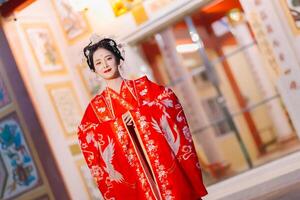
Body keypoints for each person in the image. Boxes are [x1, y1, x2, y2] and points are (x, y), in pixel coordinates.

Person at [78, 37, 208, 200]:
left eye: (108, 58)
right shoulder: (96, 107)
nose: (104, 65)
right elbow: (86, 134)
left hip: (163, 164)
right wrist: (118, 125)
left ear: (118, 59)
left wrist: (138, 116)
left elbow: (168, 101)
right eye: (98, 63)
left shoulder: (144, 87)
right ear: (94, 69)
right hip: (133, 173)